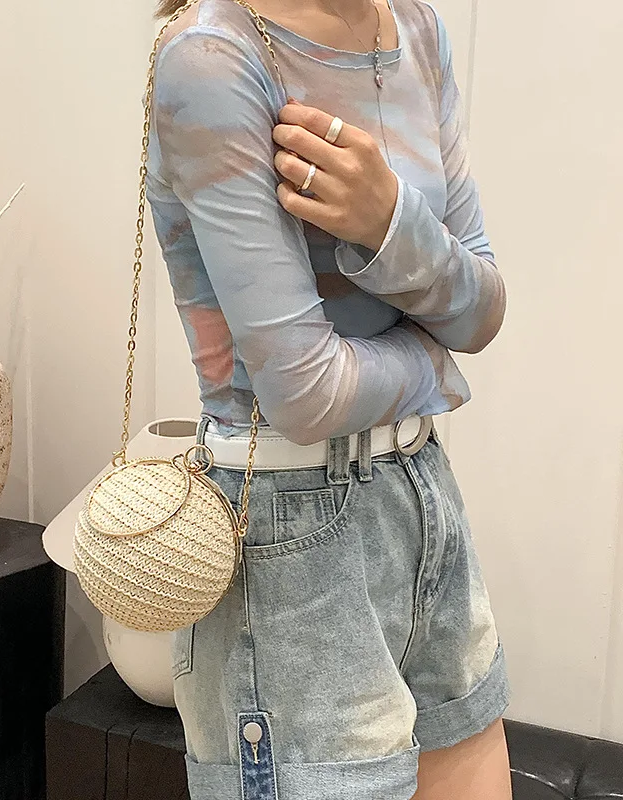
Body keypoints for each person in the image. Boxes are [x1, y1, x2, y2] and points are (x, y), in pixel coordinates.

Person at [145, 0, 511, 797]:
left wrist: (387, 222)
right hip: (288, 534)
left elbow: (484, 308)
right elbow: (306, 394)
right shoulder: (212, 56)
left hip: (423, 493)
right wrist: (437, 363)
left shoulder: (415, 27)